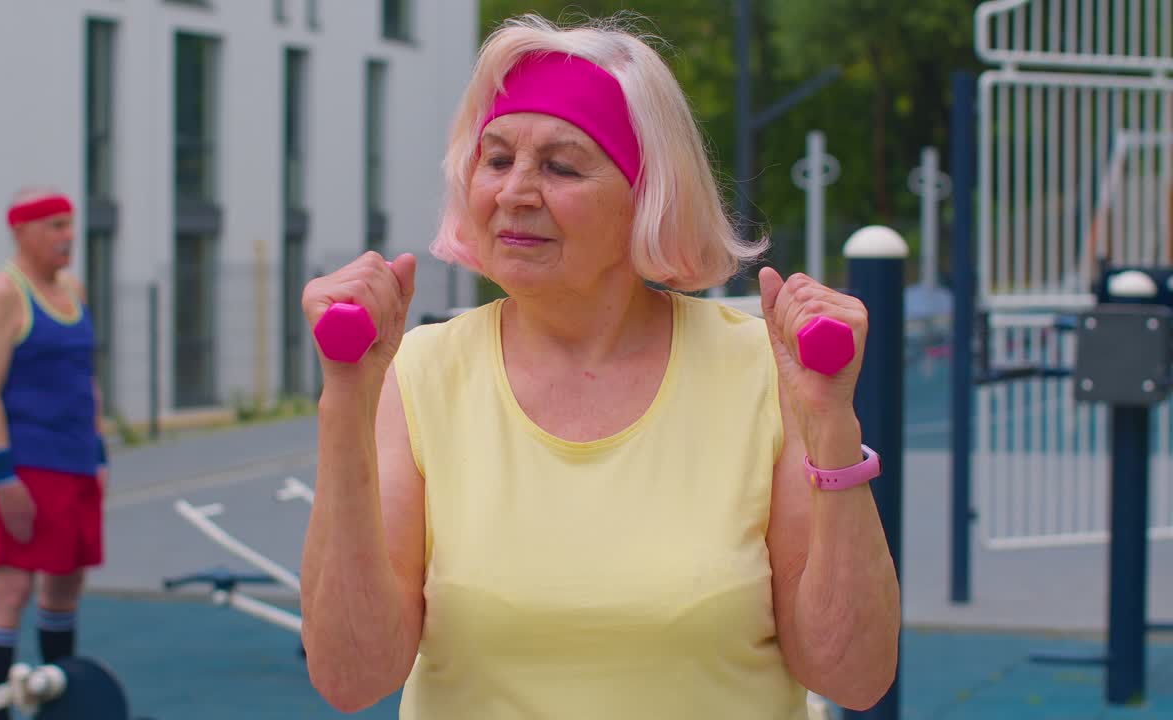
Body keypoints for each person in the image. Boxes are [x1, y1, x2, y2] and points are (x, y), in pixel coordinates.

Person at [299, 13, 900, 718]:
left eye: (560, 166)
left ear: (648, 198)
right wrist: (345, 401)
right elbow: (350, 677)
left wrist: (831, 420)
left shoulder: (763, 369)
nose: (515, 191)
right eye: (496, 160)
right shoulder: (421, 371)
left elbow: (853, 676)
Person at [0, 187, 108, 720]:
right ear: (21, 232)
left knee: (67, 581)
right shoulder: (2, 292)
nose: (67, 236)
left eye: (69, 224)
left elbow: (86, 378)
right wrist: (4, 476)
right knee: (13, 583)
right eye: (53, 225)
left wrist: (99, 455)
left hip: (77, 463)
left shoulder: (73, 289)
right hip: (29, 464)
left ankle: (57, 700)